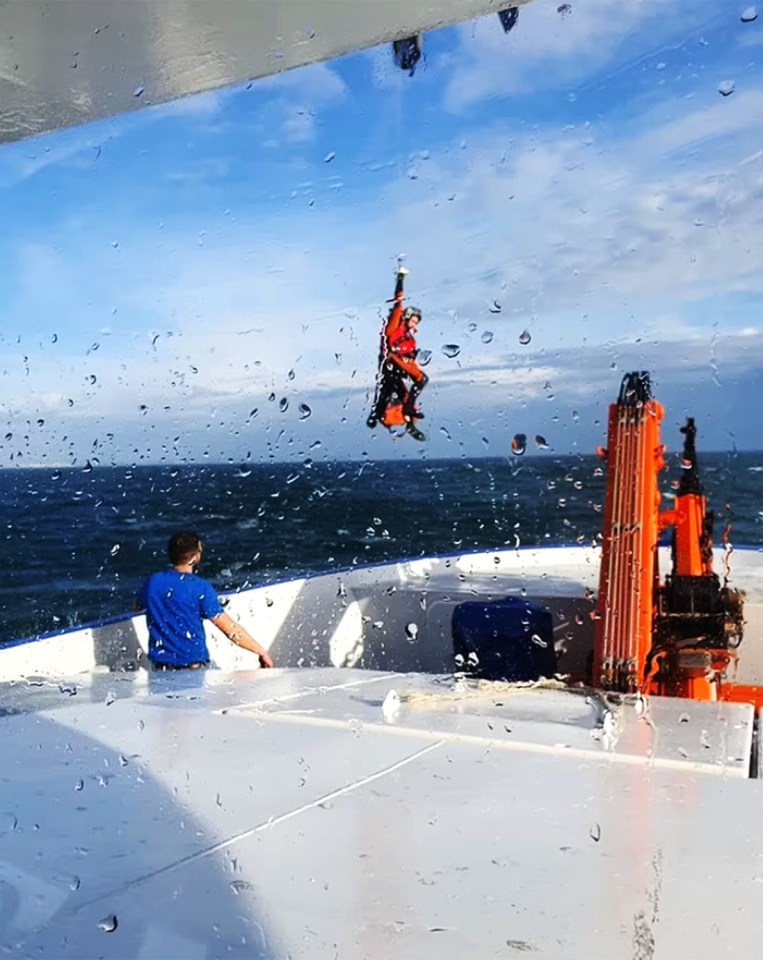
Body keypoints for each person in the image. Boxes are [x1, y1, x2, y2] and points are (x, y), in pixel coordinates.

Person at [134, 531, 275, 670]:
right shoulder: (200, 587)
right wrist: (261, 651)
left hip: (160, 667)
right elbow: (230, 629)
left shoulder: (153, 582)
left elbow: (136, 607)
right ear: (195, 557)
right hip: (192, 667)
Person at [368, 266, 428, 439]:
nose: (415, 325)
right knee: (421, 379)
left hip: (395, 369)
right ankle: (389, 415)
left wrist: (411, 359)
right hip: (391, 363)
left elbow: (410, 355)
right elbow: (398, 302)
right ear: (407, 317)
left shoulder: (410, 338)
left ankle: (405, 424)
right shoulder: (394, 325)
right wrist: (400, 278)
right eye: (414, 321)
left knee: (393, 393)